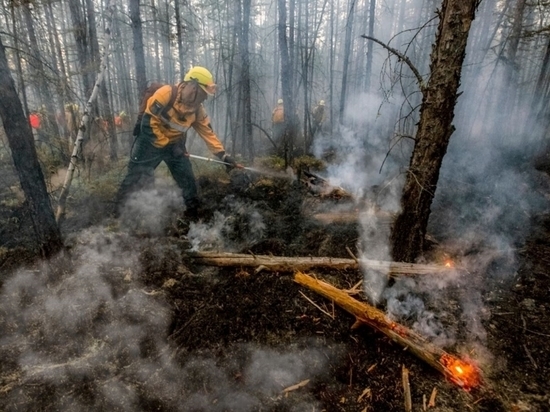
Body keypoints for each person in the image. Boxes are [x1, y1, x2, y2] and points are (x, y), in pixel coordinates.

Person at [115, 66, 240, 219]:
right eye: (203, 94)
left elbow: (208, 133)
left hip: (175, 145)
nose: (205, 98)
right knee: (136, 177)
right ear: (193, 87)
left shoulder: (198, 110)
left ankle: (192, 215)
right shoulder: (166, 94)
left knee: (187, 180)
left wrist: (223, 156)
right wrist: (166, 145)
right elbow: (148, 124)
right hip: (149, 141)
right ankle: (119, 213)